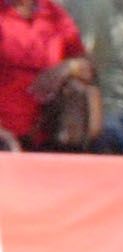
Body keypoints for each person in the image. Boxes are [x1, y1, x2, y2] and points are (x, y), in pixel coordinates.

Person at [1, 0, 99, 153]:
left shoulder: (53, 13)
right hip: (6, 138)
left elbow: (88, 67)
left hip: (51, 135)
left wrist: (67, 68)